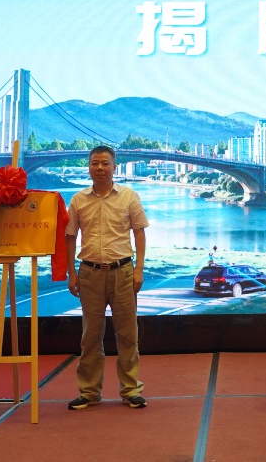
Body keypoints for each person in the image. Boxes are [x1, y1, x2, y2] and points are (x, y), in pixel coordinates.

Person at [65, 146, 150, 410]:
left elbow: (139, 233)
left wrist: (139, 269)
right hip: (89, 273)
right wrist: (72, 273)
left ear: (114, 167)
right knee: (90, 336)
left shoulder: (128, 196)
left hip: (123, 272)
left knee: (127, 334)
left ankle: (130, 390)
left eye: (105, 163)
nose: (99, 168)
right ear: (89, 167)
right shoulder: (78, 199)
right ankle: (89, 392)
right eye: (95, 163)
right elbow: (70, 237)